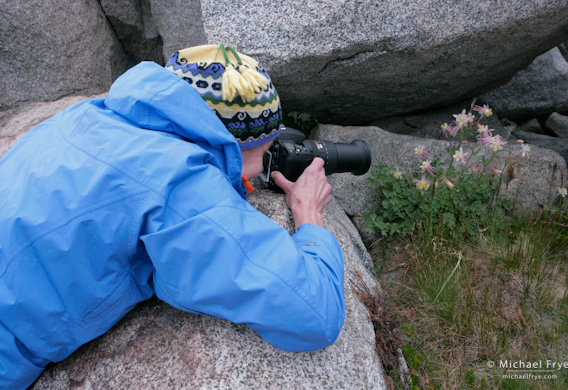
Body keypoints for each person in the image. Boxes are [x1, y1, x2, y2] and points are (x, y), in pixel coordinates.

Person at [0, 44, 345, 389]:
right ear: (233, 143)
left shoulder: (84, 115)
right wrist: (309, 213)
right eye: (266, 153)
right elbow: (315, 313)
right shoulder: (180, 187)